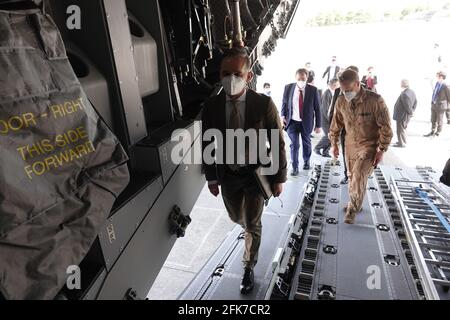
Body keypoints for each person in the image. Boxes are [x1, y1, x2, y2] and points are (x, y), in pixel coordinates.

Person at [201, 47, 287, 294]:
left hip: (254, 175)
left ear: (248, 76)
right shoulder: (212, 106)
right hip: (228, 175)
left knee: (252, 223)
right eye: (225, 73)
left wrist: (279, 177)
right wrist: (212, 178)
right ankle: (248, 225)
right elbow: (208, 142)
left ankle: (248, 266)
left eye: (237, 73)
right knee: (236, 218)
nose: (230, 78)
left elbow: (278, 141)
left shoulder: (264, 104)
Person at [329, 69, 393, 224]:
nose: (346, 94)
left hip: (369, 145)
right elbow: (336, 125)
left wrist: (381, 150)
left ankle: (352, 208)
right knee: (352, 177)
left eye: (349, 90)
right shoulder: (341, 101)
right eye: (343, 91)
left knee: (358, 175)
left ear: (357, 84)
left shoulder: (375, 101)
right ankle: (355, 202)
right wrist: (334, 144)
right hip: (350, 146)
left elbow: (386, 128)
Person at [281, 68, 322, 175]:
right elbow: (284, 103)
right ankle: (294, 167)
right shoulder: (288, 88)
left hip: (306, 122)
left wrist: (318, 125)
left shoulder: (313, 90)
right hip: (292, 122)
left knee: (306, 143)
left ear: (307, 78)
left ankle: (306, 161)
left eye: (303, 79)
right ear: (295, 77)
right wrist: (282, 116)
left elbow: (317, 109)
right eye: (299, 79)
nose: (301, 80)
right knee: (294, 144)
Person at [328, 65, 361, 185]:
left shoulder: (368, 91)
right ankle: (348, 174)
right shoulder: (338, 91)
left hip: (362, 131)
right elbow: (333, 111)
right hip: (345, 130)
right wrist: (332, 131)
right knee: (346, 154)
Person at [315, 78, 339, 157]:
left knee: (332, 136)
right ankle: (317, 148)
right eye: (336, 85)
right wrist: (332, 121)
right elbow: (326, 110)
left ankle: (326, 151)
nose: (338, 86)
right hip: (325, 119)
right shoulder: (327, 94)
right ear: (332, 85)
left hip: (329, 119)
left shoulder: (333, 93)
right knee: (329, 136)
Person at [424, 71, 450, 137]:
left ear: (441, 77)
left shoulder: (446, 86)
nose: (436, 77)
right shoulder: (437, 83)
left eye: (437, 76)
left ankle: (438, 132)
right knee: (433, 119)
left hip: (441, 106)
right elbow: (435, 92)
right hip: (434, 104)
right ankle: (432, 131)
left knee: (439, 120)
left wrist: (448, 107)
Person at [392, 79, 417, 147]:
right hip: (405, 115)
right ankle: (402, 141)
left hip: (402, 115)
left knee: (400, 129)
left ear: (402, 85)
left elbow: (407, 106)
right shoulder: (411, 91)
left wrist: (411, 112)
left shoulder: (405, 94)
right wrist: (413, 110)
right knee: (403, 128)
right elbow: (415, 102)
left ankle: (402, 143)